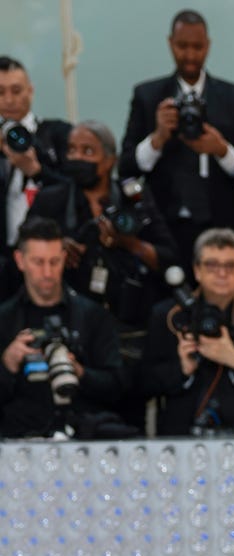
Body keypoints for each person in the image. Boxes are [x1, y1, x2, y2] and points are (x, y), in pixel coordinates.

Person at [26, 120, 176, 375]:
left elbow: (168, 259)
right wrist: (56, 247)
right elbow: (25, 246)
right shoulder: (51, 199)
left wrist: (128, 243)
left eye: (87, 151)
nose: (76, 157)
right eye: (71, 150)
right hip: (71, 325)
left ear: (109, 160)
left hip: (128, 326)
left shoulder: (134, 198)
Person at [119, 9, 234, 274]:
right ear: (170, 43)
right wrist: (157, 138)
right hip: (163, 229)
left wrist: (222, 150)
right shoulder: (148, 97)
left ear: (208, 46)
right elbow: (126, 169)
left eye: (197, 47)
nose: (189, 55)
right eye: (182, 46)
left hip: (221, 230)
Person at [141, 226, 234, 434]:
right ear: (197, 270)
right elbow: (142, 384)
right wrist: (181, 369)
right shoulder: (168, 315)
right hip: (181, 438)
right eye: (212, 265)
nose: (222, 273)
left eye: (231, 266)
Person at [0, 216, 127, 437]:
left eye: (54, 261)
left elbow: (119, 386)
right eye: (38, 262)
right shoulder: (4, 319)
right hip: (18, 439)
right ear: (20, 260)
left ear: (64, 258)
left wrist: (80, 372)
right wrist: (7, 364)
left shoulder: (93, 317)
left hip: (83, 436)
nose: (48, 273)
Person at [0, 56, 70, 291]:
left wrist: (36, 171)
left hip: (50, 256)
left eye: (16, 90)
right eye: (0, 92)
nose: (9, 100)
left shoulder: (58, 134)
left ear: (30, 91)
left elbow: (72, 190)